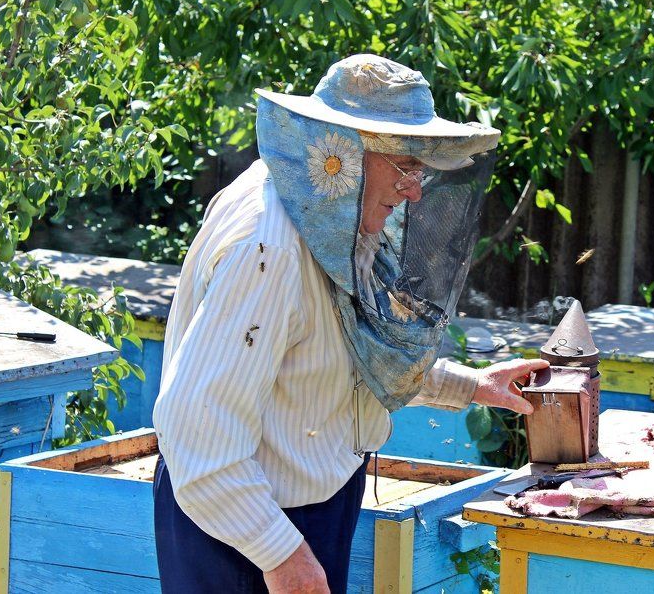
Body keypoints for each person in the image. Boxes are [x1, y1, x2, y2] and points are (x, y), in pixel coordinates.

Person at [152, 54, 547, 594]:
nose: (416, 190)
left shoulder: (332, 219)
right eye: (406, 166)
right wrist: (282, 555)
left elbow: (352, 347)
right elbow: (198, 432)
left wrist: (472, 385)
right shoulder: (266, 247)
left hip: (301, 513)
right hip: (238, 528)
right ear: (344, 153)